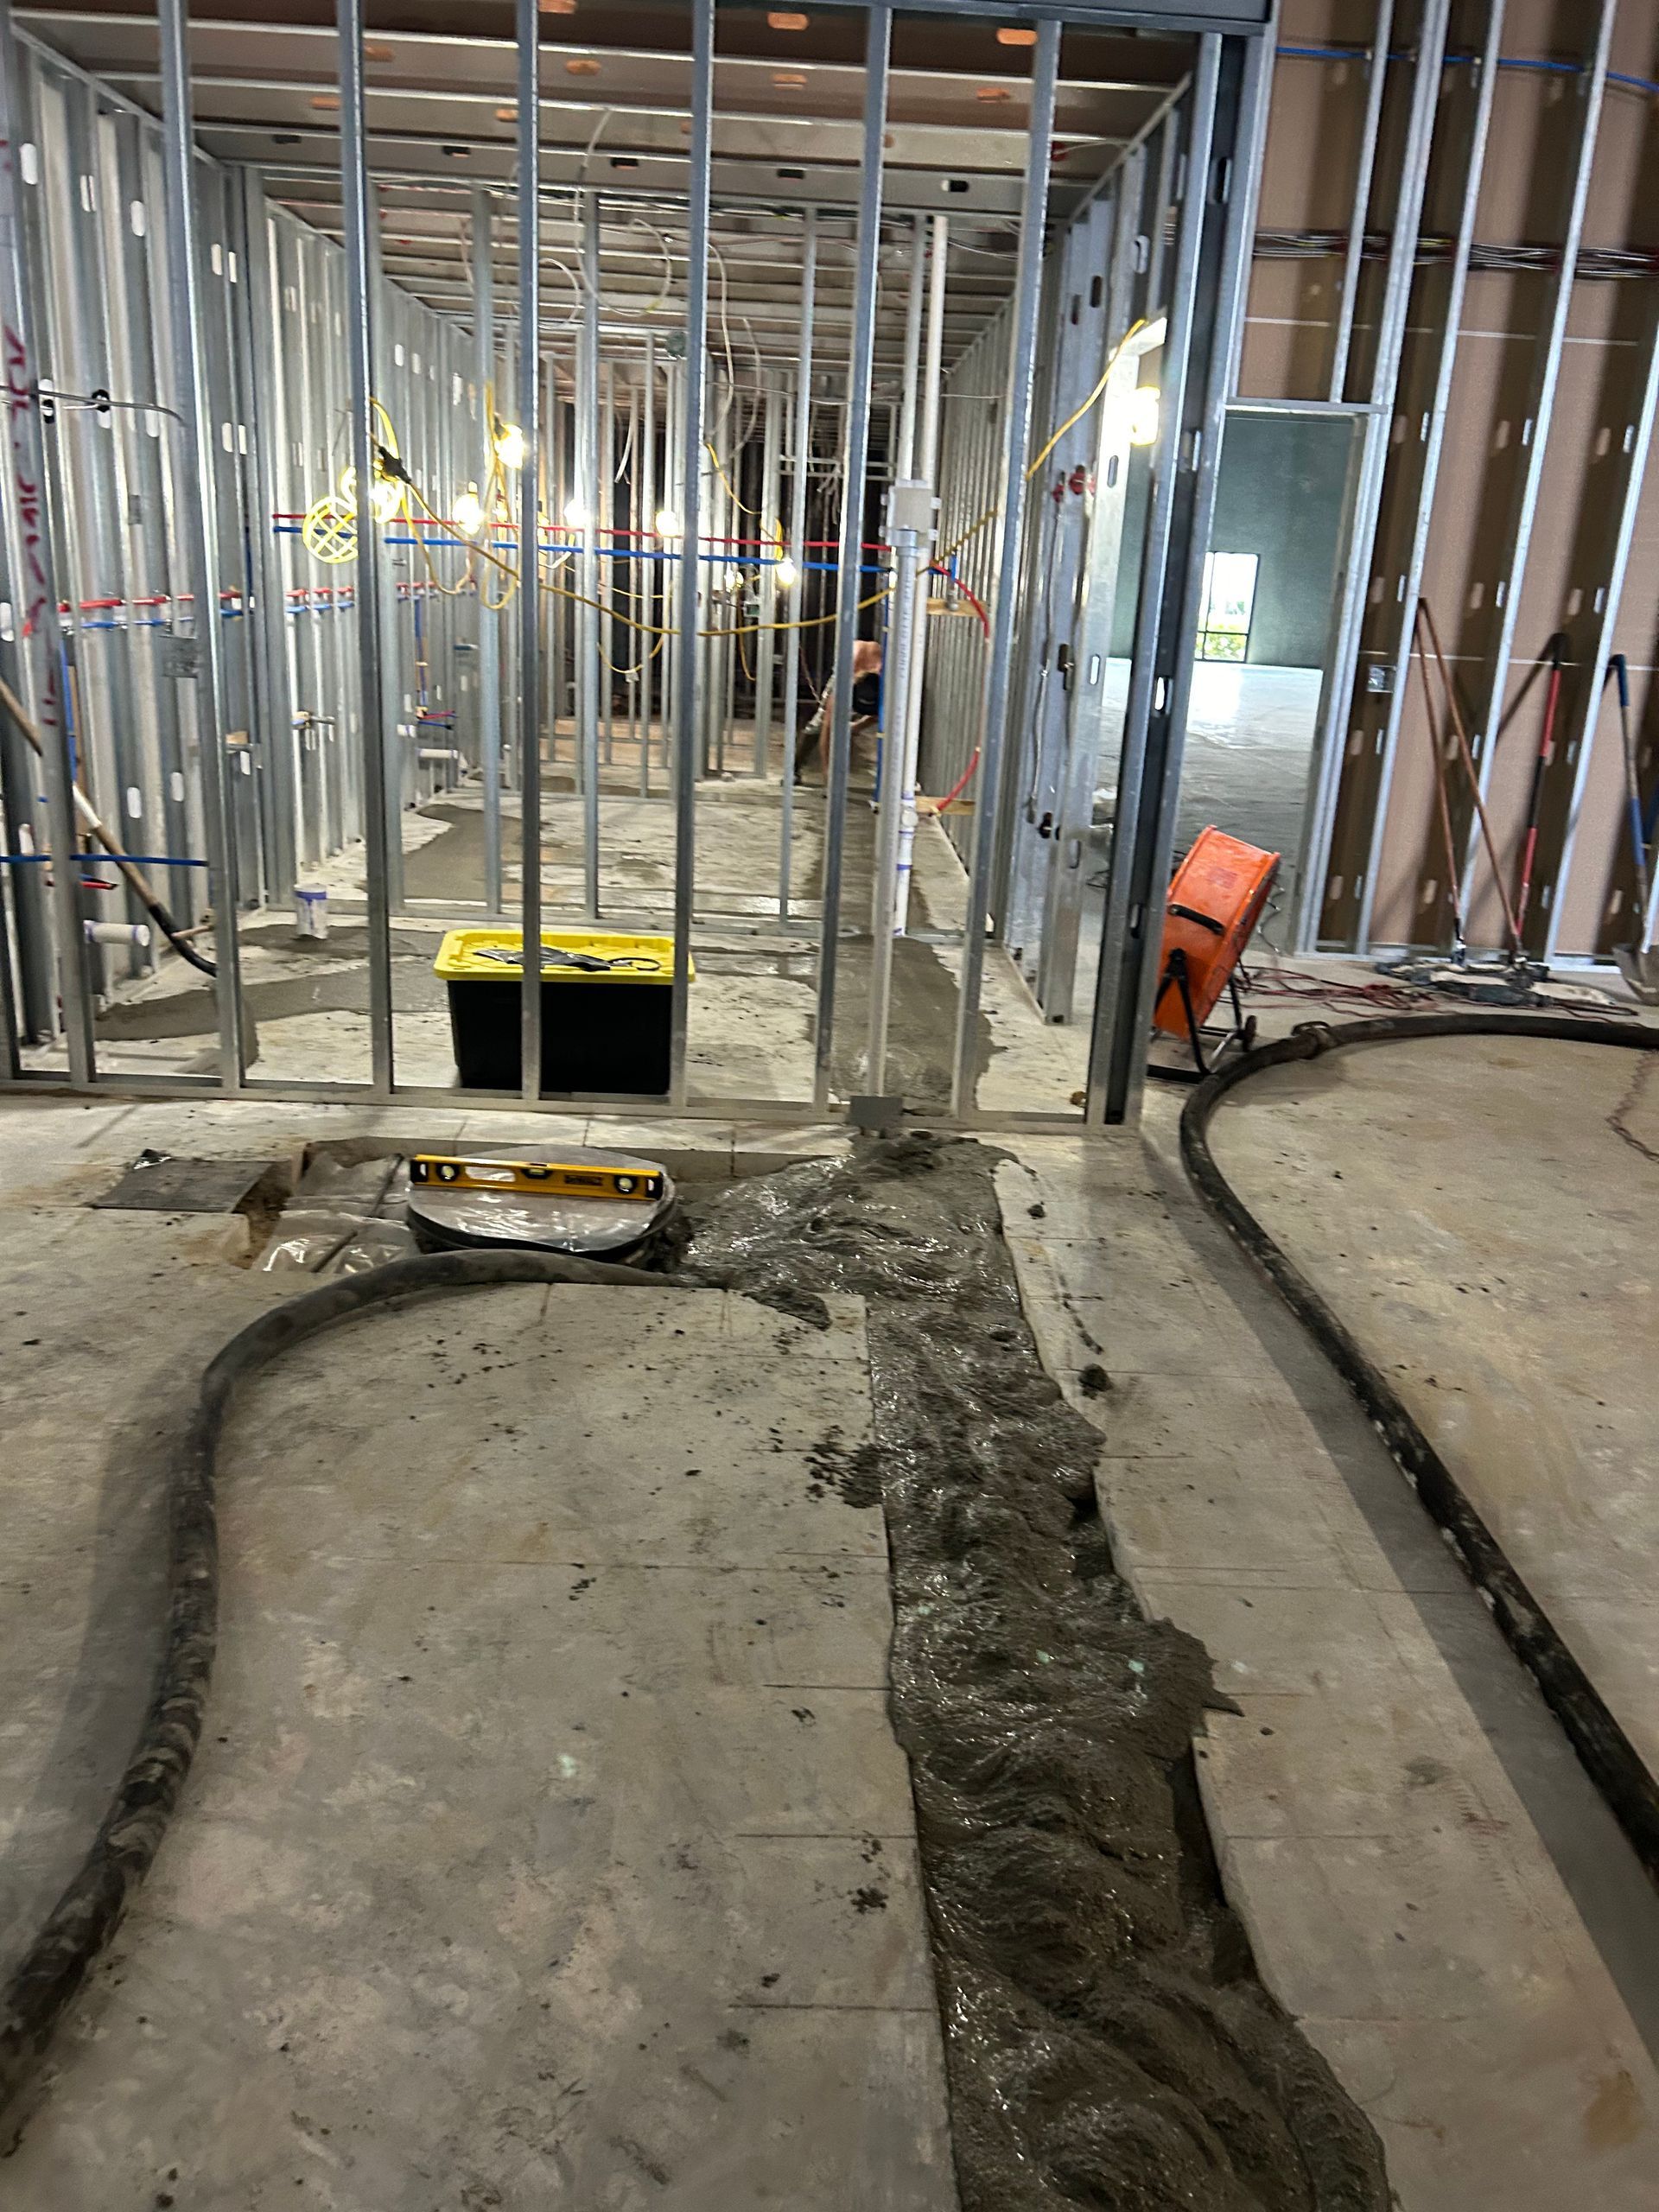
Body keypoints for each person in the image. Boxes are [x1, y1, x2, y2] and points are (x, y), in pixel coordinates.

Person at [792, 635, 882, 784]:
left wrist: (857, 726)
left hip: (867, 677)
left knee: (881, 716)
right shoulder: (845, 678)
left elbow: (880, 714)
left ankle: (855, 727)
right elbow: (828, 727)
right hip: (848, 668)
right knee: (818, 724)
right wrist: (828, 775)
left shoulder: (885, 678)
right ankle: (794, 769)